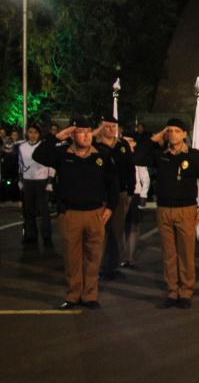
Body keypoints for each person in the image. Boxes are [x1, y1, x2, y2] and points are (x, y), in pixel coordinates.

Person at [32, 117, 119, 310]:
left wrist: (111, 207)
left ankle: (90, 295)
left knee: (93, 256)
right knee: (72, 257)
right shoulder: (62, 154)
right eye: (81, 131)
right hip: (70, 213)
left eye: (89, 131)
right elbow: (38, 155)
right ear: (72, 134)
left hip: (95, 213)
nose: (86, 135)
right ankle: (73, 294)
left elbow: (113, 183)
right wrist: (56, 137)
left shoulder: (101, 156)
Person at [133, 118, 199, 309]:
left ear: (185, 134)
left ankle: (186, 291)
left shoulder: (194, 156)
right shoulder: (161, 155)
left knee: (185, 253)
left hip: (186, 209)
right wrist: (155, 138)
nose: (173, 134)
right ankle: (172, 290)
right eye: (169, 131)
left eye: (177, 131)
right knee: (169, 254)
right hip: (164, 209)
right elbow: (136, 157)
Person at [94, 116, 135, 281]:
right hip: (101, 195)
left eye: (113, 126)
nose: (111, 129)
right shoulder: (95, 146)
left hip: (120, 194)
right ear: (101, 128)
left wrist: (130, 191)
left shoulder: (122, 145)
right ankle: (97, 268)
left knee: (117, 232)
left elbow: (130, 168)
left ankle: (112, 267)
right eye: (107, 126)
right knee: (100, 234)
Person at [14, 123, 53, 246]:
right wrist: (20, 180)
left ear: (39, 134)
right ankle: (31, 235)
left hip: (42, 180)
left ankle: (46, 236)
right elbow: (20, 164)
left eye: (35, 132)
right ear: (27, 133)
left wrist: (50, 181)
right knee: (28, 210)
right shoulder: (22, 147)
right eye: (30, 132)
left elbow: (52, 164)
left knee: (44, 210)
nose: (33, 135)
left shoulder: (45, 146)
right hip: (27, 181)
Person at [120, 132, 149, 268]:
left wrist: (143, 195)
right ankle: (123, 255)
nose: (127, 144)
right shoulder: (119, 156)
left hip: (135, 195)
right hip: (121, 195)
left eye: (129, 141)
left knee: (133, 227)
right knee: (121, 227)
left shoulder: (138, 159)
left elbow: (146, 180)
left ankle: (130, 256)